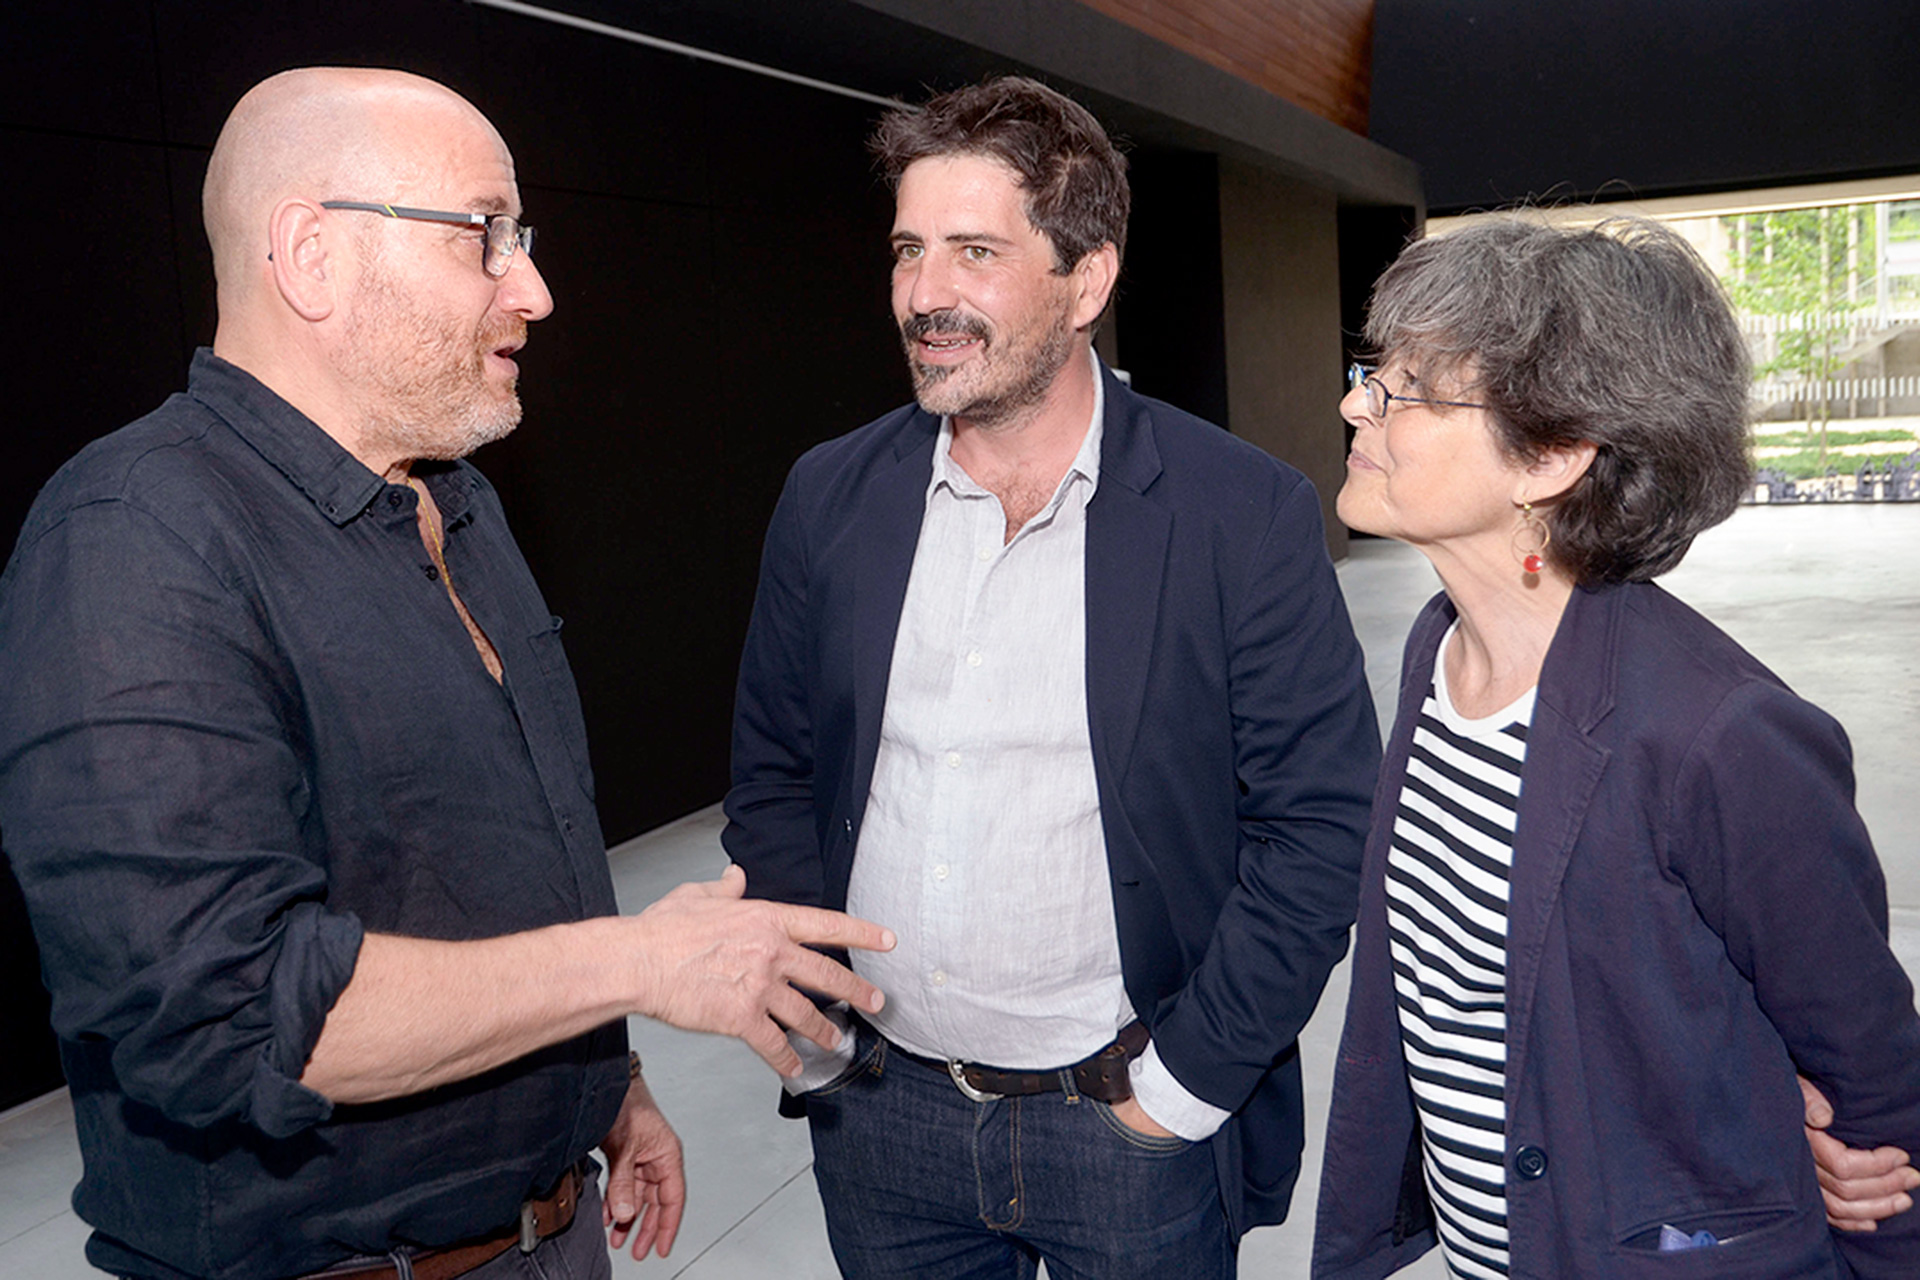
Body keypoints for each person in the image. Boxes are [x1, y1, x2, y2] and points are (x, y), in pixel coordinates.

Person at [0, 68, 893, 1280]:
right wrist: (644, 960)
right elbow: (231, 1008)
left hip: (550, 1230)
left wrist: (605, 1082)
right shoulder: (133, 535)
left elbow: (489, 869)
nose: (533, 288)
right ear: (310, 255)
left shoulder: (459, 507)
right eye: (486, 235)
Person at [722, 76, 1382, 1277]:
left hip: (1129, 1126)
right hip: (881, 1120)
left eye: (975, 251)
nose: (926, 294)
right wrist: (817, 1029)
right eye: (909, 250)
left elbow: (1323, 827)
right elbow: (774, 769)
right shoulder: (831, 495)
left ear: (1087, 280)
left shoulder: (1239, 513)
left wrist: (1182, 1087)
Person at [1310, 217, 1920, 1278]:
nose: (1358, 402)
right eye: (1375, 371)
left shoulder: (1719, 733)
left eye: (1406, 387)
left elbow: (1870, 1075)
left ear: (1551, 456)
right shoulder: (1437, 653)